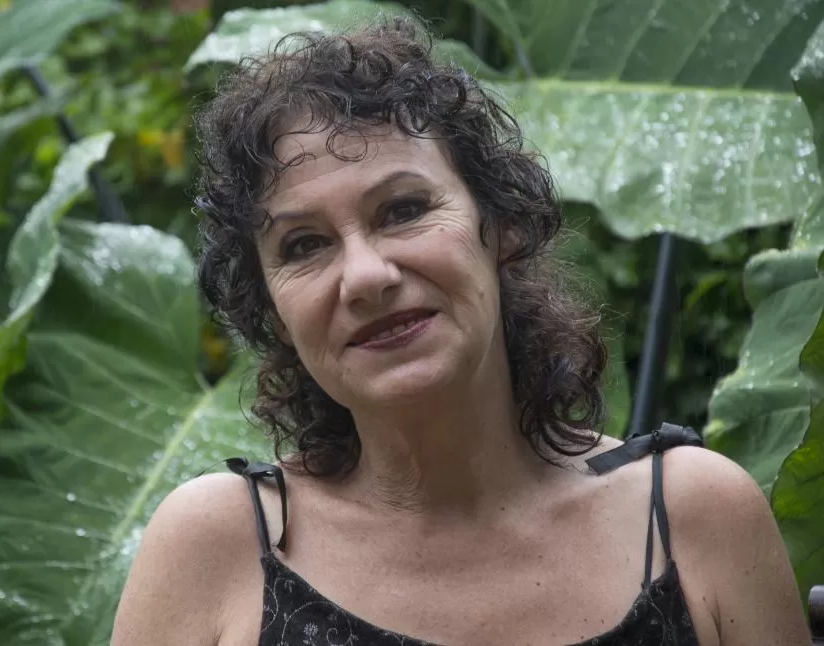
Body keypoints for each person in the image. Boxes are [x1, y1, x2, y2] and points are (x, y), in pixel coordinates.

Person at [110, 16, 810, 646]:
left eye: (403, 210)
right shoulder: (220, 548)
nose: (366, 276)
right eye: (304, 246)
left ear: (500, 227)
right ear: (273, 314)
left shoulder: (694, 520)